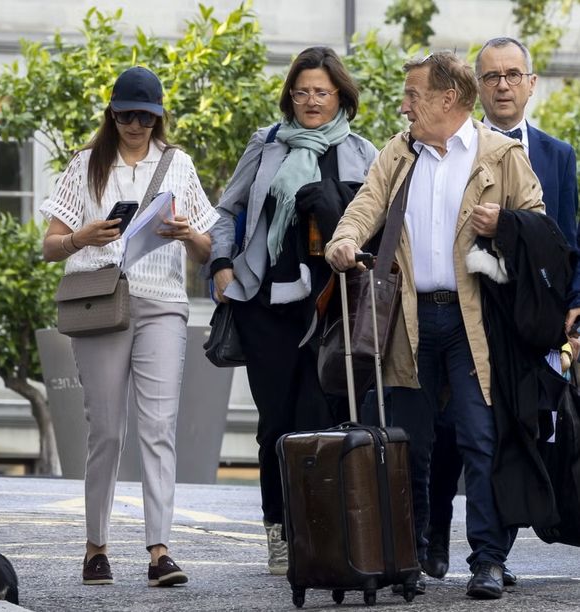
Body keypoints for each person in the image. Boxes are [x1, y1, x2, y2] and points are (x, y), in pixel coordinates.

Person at [326, 51, 544, 599]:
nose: (404, 106)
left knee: (480, 439)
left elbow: (540, 227)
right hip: (408, 320)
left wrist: (507, 223)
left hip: (474, 322)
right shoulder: (398, 153)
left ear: (448, 98)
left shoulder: (501, 154)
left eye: (413, 96)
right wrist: (344, 239)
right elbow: (365, 206)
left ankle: (488, 560)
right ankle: (411, 557)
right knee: (409, 445)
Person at [40, 66, 217, 587]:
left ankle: (160, 551)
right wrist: (83, 238)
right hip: (102, 303)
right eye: (126, 116)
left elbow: (207, 248)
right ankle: (96, 547)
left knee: (159, 428)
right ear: (111, 114)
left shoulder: (178, 164)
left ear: (159, 117)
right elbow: (50, 246)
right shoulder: (86, 165)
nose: (136, 125)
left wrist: (186, 234)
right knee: (106, 430)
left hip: (163, 303)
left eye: (146, 116)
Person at [207, 46, 377, 576]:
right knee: (275, 424)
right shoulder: (266, 144)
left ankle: (319, 532)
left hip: (331, 308)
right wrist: (221, 265)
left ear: (340, 96)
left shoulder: (363, 153)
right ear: (289, 96)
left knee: (323, 420)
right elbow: (226, 210)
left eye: (321, 92)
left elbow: (377, 226)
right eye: (301, 92)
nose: (311, 101)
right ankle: (278, 532)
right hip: (265, 305)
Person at [423, 36, 580, 585]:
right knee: (452, 427)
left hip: (531, 319)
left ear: (532, 84)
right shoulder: (453, 145)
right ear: (477, 88)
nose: (503, 85)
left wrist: (575, 306)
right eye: (491, 76)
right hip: (467, 311)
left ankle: (494, 553)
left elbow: (568, 239)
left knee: (516, 427)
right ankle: (435, 530)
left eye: (514, 75)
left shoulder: (558, 155)